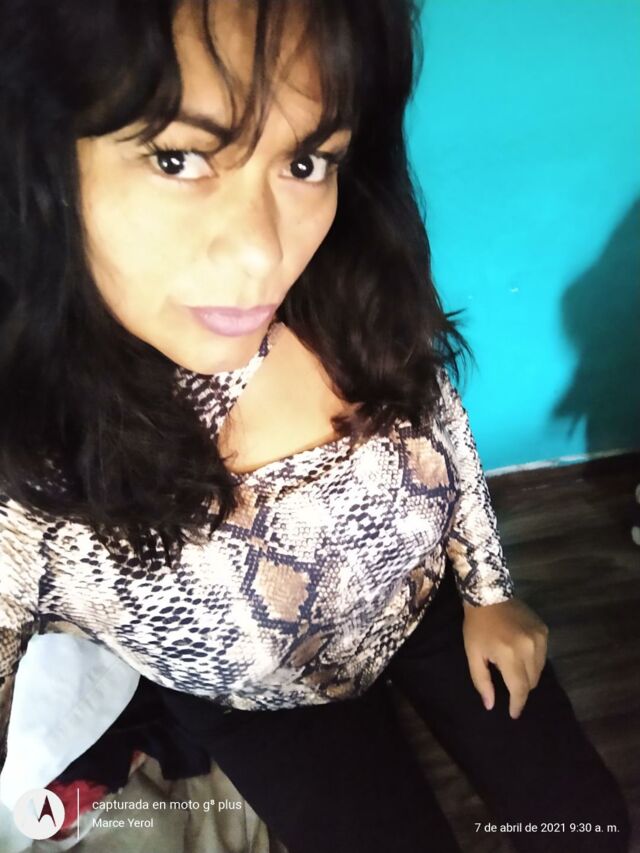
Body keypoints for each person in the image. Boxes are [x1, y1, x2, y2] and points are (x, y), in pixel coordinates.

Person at [0, 1, 631, 851]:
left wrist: (490, 589)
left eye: (305, 161)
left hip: (430, 613)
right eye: (178, 157)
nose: (266, 253)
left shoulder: (344, 291)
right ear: (37, 158)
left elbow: (437, 413)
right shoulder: (30, 464)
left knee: (587, 827)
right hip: (264, 709)